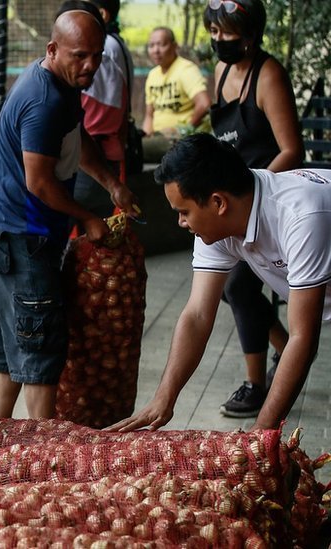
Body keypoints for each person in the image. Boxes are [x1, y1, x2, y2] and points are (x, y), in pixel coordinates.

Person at [111, 134, 331, 432]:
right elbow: (198, 314)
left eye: (184, 212)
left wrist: (259, 435)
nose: (181, 222)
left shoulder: (301, 217)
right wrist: (164, 397)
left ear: (218, 202)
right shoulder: (218, 224)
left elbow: (303, 337)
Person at [0, 11, 136, 420]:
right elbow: (41, 184)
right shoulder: (44, 99)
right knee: (39, 347)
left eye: (97, 56)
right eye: (79, 55)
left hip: (16, 232)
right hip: (23, 235)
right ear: (52, 50)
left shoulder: (62, 86)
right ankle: (40, 453)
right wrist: (87, 217)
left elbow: (75, 136)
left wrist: (110, 184)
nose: (90, 66)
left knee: (13, 337)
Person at [205, 0, 304, 418]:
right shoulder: (221, 72)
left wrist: (251, 188)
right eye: (213, 32)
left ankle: (257, 385)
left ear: (250, 34)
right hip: (232, 201)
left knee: (239, 288)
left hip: (271, 198)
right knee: (233, 289)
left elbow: (292, 150)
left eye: (227, 33)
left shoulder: (269, 75)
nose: (218, 41)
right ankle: (286, 348)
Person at [71, 0, 130, 219]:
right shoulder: (116, 45)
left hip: (92, 160)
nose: (89, 63)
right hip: (110, 155)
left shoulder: (106, 52)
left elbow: (91, 122)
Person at [142, 27, 211, 161]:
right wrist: (146, 135)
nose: (156, 50)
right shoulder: (152, 75)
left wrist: (184, 131)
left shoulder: (186, 69)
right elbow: (149, 115)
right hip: (159, 136)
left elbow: (204, 104)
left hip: (179, 139)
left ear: (174, 46)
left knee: (133, 152)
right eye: (151, 45)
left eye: (161, 44)